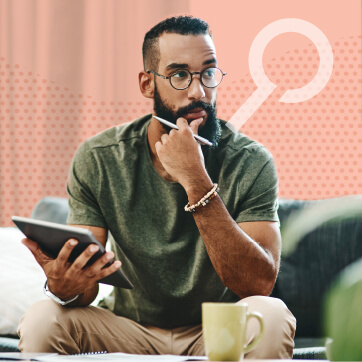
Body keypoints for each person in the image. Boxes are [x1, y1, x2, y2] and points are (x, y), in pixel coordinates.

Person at [18, 15, 296, 358]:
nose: (198, 91)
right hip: (126, 327)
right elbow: (85, 290)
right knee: (42, 318)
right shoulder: (99, 158)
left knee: (272, 316)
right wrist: (65, 286)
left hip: (216, 330)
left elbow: (258, 285)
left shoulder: (251, 160)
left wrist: (196, 180)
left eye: (208, 72)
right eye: (179, 75)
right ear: (147, 84)